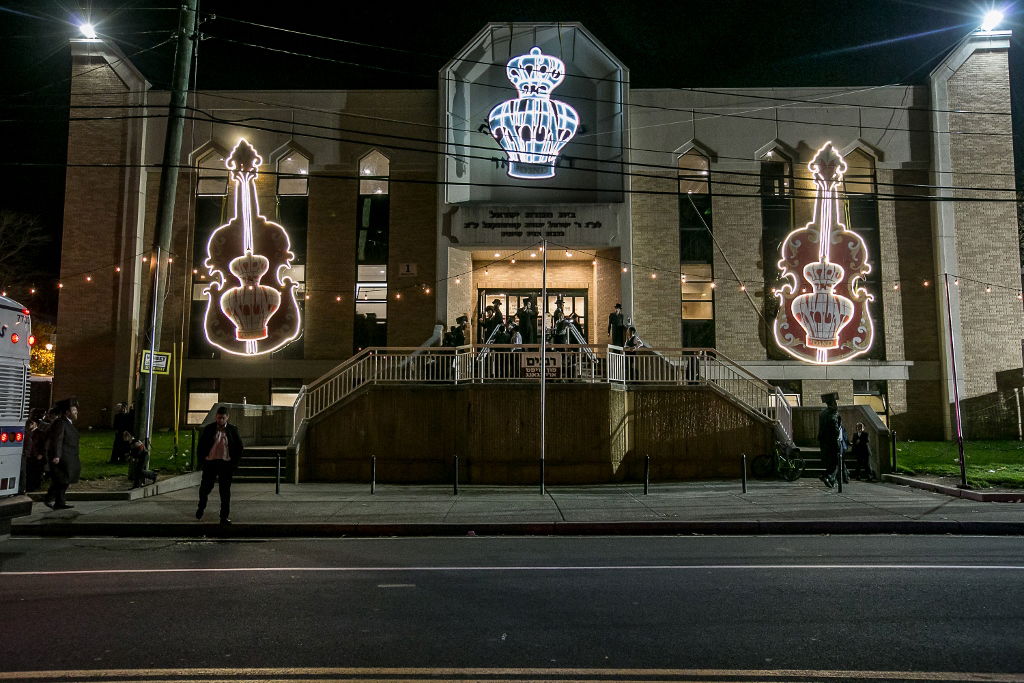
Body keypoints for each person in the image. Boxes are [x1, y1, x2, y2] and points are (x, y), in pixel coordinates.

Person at [196, 405, 244, 525]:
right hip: (211, 463)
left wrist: (234, 463)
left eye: (222, 418)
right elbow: (201, 446)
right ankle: (201, 507)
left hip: (225, 464)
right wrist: (202, 461)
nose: (220, 420)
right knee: (205, 488)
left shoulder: (233, 430)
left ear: (227, 417)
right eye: (218, 418)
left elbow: (239, 447)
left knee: (225, 492)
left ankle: (224, 517)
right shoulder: (209, 429)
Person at [44, 398, 81, 510]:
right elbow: (57, 439)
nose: (76, 412)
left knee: (63, 480)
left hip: (69, 455)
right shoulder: (60, 423)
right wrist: (56, 455)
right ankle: (50, 498)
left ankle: (59, 502)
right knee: (62, 479)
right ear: (67, 412)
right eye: (74, 410)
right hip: (63, 457)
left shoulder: (67, 423)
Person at [817, 392, 843, 488]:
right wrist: (837, 434)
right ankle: (828, 476)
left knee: (829, 462)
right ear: (833, 403)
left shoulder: (822, 413)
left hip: (823, 441)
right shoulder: (834, 413)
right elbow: (835, 426)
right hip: (832, 441)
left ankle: (831, 479)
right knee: (836, 461)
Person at [20, 409, 45, 493]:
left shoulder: (40, 433)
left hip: (36, 456)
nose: (29, 426)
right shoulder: (26, 433)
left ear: (35, 424)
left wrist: (41, 454)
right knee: (28, 472)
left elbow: (43, 445)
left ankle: (34, 487)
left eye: (30, 424)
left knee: (34, 472)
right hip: (28, 455)